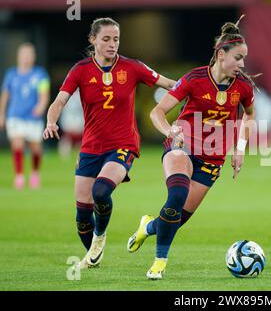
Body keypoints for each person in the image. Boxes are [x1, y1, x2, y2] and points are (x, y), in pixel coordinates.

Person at [127, 16, 256, 280]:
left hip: (214, 157)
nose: (242, 65)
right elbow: (157, 113)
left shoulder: (243, 86)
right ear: (221, 55)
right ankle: (159, 262)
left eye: (244, 59)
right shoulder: (194, 79)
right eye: (238, 58)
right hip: (182, 145)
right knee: (176, 195)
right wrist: (170, 130)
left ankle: (148, 227)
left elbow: (249, 116)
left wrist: (239, 149)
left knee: (179, 218)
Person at [42, 17, 176, 269]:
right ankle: (94, 251)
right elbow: (59, 101)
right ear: (93, 40)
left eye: (116, 39)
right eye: (106, 39)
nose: (112, 44)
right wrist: (51, 122)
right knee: (82, 215)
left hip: (123, 144)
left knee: (101, 191)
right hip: (91, 147)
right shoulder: (80, 70)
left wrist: (197, 88)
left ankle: (100, 237)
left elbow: (170, 84)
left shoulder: (132, 67)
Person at [0, 42, 50, 189]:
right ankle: (19, 176)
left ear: (33, 57)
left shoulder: (40, 74)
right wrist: (2, 114)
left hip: (32, 117)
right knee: (17, 144)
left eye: (29, 54)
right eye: (24, 55)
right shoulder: (11, 74)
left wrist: (41, 106)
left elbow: (44, 93)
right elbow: (5, 95)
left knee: (36, 148)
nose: (26, 58)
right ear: (18, 57)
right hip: (14, 115)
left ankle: (35, 173)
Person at [58, 88, 84, 158]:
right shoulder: (66, 94)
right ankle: (65, 155)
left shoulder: (82, 94)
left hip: (78, 119)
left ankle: (80, 155)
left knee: (80, 139)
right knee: (67, 138)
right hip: (69, 119)